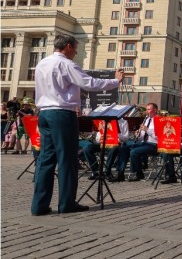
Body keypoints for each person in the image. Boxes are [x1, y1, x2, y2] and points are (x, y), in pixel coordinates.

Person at [32, 34, 123, 215]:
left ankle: (39, 205)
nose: (75, 52)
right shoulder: (66, 63)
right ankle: (66, 203)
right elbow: (88, 83)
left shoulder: (42, 63)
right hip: (62, 113)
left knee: (46, 159)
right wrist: (115, 81)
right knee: (67, 160)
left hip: (44, 112)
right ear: (67, 46)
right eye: (75, 48)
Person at [126, 103, 159, 181]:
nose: (147, 111)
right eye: (147, 109)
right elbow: (142, 137)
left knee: (134, 152)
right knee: (125, 147)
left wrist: (147, 130)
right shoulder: (147, 119)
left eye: (149, 109)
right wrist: (138, 133)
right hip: (144, 143)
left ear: (155, 110)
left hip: (154, 145)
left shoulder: (158, 120)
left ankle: (138, 173)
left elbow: (158, 137)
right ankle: (120, 172)